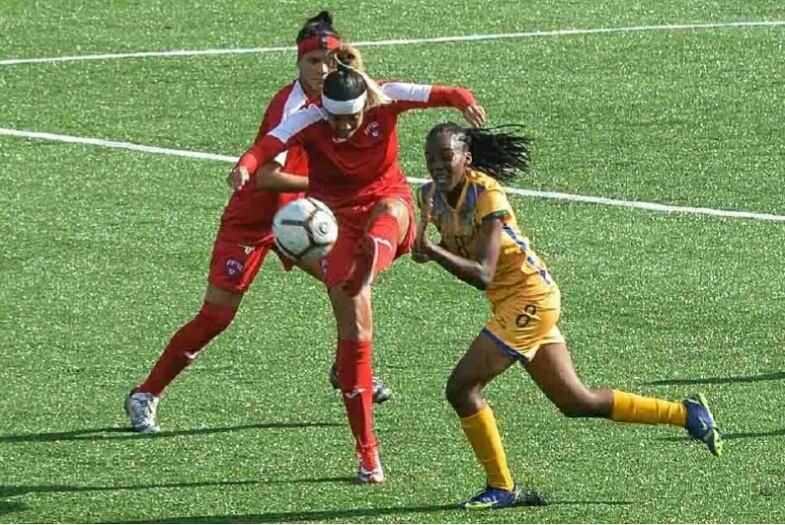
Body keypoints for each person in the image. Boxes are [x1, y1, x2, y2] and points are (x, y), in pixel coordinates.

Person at [411, 122, 723, 509]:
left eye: (446, 156)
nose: (437, 165)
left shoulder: (487, 194)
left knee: (461, 388)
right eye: (430, 158)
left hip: (530, 299)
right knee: (576, 401)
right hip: (511, 304)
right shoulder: (429, 198)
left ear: (466, 158)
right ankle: (685, 413)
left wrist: (434, 251)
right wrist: (423, 250)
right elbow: (456, 249)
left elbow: (483, 273)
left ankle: (502, 486)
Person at [228, 45, 487, 483]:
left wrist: (464, 100)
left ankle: (367, 264)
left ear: (365, 103)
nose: (344, 127)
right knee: (355, 333)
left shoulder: (385, 96)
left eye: (351, 118)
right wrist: (244, 166)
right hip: (336, 223)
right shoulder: (311, 117)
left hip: (387, 202)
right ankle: (367, 452)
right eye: (335, 119)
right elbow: (270, 143)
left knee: (389, 214)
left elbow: (440, 93)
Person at [125, 12, 391, 434]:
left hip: (300, 224)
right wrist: (324, 185)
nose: (322, 70)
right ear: (297, 62)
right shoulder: (290, 107)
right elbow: (266, 175)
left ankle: (349, 369)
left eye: (329, 60)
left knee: (351, 284)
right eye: (312, 62)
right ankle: (145, 394)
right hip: (252, 223)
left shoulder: (343, 99)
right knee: (216, 316)